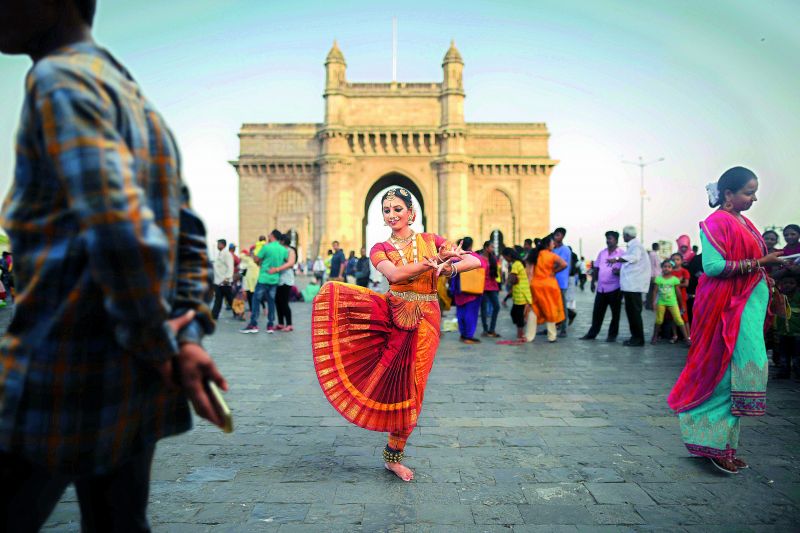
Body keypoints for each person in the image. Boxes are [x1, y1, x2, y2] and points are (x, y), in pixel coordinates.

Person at [0, 2, 228, 528]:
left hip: (59, 369)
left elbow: (120, 229)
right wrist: (187, 333)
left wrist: (157, 342)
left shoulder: (58, 79)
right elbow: (188, 234)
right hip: (134, 387)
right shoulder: (141, 105)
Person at [311, 187, 480, 481]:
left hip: (427, 321)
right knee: (394, 383)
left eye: (398, 209)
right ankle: (393, 455)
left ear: (411, 212)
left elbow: (475, 261)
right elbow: (395, 275)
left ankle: (394, 454)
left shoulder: (432, 241)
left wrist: (448, 268)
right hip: (392, 319)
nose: (392, 215)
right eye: (387, 211)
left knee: (414, 388)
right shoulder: (380, 248)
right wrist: (430, 264)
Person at [668, 167, 785, 474]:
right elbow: (714, 266)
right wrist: (762, 262)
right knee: (728, 376)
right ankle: (713, 445)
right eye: (749, 192)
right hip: (728, 310)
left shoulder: (743, 222)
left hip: (745, 307)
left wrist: (774, 261)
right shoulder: (716, 222)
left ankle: (726, 447)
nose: (754, 197)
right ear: (728, 194)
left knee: (739, 374)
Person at [608, 226, 651, 346]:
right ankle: (635, 337)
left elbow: (634, 258)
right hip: (630, 285)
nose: (623, 237)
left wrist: (617, 259)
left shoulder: (636, 246)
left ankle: (638, 339)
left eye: (623, 235)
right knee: (631, 312)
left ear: (627, 235)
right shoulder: (633, 246)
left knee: (634, 313)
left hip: (634, 286)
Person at [240, 230, 287, 333]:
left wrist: (259, 261)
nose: (268, 236)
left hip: (264, 278)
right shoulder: (283, 250)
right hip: (274, 279)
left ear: (272, 236)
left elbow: (256, 259)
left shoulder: (266, 247)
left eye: (269, 235)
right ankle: (270, 325)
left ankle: (253, 324)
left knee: (256, 300)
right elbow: (286, 261)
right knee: (271, 302)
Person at [581, 231, 624, 342]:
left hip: (615, 288)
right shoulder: (602, 253)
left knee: (615, 314)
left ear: (616, 240)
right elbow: (596, 268)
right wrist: (592, 283)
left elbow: (627, 269)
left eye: (610, 238)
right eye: (607, 238)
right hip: (601, 288)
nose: (608, 241)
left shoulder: (622, 253)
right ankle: (592, 334)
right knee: (597, 313)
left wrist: (619, 272)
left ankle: (612, 336)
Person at [527, 235, 568, 343]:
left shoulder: (534, 255)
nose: (554, 244)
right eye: (552, 243)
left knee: (534, 309)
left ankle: (529, 336)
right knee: (550, 308)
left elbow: (530, 272)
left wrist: (530, 284)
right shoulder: (552, 256)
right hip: (549, 285)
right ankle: (552, 336)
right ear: (547, 244)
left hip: (536, 285)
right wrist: (554, 271)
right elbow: (564, 264)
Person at [650, 260, 691, 345]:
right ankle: (655, 336)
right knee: (659, 320)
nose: (667, 268)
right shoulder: (659, 279)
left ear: (672, 269)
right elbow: (655, 291)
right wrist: (653, 303)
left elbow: (678, 293)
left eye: (669, 267)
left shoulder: (674, 280)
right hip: (661, 302)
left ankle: (687, 338)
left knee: (679, 320)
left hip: (673, 303)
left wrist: (682, 305)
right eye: (665, 266)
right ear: (662, 268)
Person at [502, 247, 533, 341]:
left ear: (509, 256)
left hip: (520, 293)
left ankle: (521, 334)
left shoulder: (515, 264)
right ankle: (521, 329)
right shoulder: (518, 263)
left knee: (517, 314)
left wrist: (510, 279)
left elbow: (513, 278)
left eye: (505, 257)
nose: (505, 259)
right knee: (515, 313)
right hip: (519, 292)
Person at [774, 274, 799, 379]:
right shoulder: (779, 297)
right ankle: (784, 372)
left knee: (798, 355)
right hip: (783, 332)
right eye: (785, 283)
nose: (788, 285)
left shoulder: (798, 297)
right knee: (783, 354)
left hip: (797, 333)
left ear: (797, 285)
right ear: (780, 285)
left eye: (791, 283)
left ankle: (798, 373)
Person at [272, 234, 297, 332]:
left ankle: (289, 324)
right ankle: (281, 323)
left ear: (282, 241)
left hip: (287, 279)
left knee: (284, 302)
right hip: (278, 279)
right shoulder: (280, 250)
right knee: (277, 302)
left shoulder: (290, 251)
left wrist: (277, 268)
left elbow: (291, 263)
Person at [552, 227, 573, 337]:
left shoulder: (565, 250)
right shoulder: (553, 249)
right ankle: (552, 327)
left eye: (558, 235)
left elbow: (562, 265)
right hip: (552, 282)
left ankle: (563, 329)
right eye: (555, 235)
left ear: (562, 236)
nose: (556, 237)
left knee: (561, 306)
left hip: (561, 281)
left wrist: (551, 271)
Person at [480, 240, 501, 338]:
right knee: (483, 309)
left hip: (492, 286)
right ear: (486, 247)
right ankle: (485, 330)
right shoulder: (479, 258)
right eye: (491, 247)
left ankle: (491, 329)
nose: (493, 249)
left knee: (496, 306)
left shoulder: (493, 258)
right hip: (482, 286)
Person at [211, 238, 234, 320]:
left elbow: (230, 266)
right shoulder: (220, 254)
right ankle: (214, 315)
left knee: (230, 298)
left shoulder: (227, 254)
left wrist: (227, 278)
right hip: (218, 281)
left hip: (224, 281)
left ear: (222, 245)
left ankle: (238, 313)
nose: (217, 245)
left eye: (218, 244)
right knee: (218, 299)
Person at [670, 252, 691, 330]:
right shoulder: (670, 271)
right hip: (671, 297)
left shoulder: (684, 271)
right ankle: (675, 336)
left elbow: (686, 284)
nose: (675, 261)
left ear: (682, 261)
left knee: (684, 316)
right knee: (673, 317)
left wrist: (675, 284)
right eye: (673, 260)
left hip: (682, 297)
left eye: (677, 259)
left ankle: (688, 336)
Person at [646, 243, 661, 310]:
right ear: (656, 247)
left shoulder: (651, 254)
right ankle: (651, 305)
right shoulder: (654, 254)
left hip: (652, 274)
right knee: (653, 291)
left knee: (651, 291)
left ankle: (649, 304)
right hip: (654, 275)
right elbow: (656, 265)